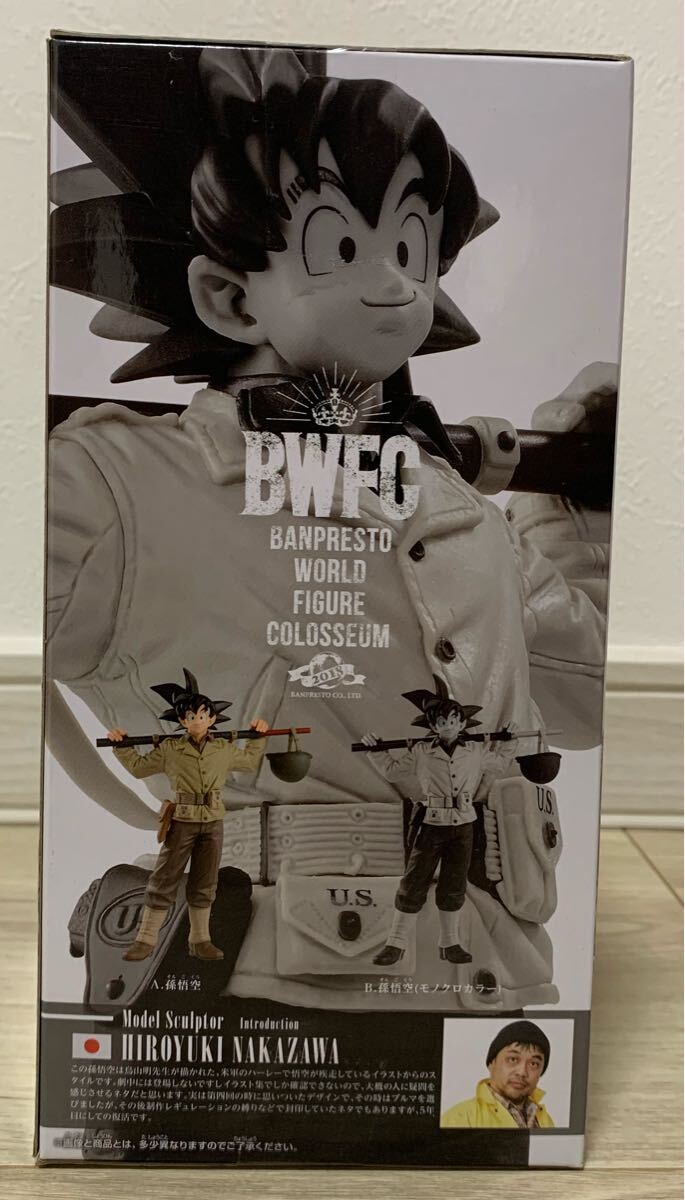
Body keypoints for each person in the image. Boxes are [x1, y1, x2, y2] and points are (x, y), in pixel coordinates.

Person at [46, 45, 614, 1009]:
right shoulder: (118, 488)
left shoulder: (454, 512)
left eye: (412, 247)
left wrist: (569, 501)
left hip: (487, 998)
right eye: (339, 248)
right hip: (257, 1000)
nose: (395, 284)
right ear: (228, 297)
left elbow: (582, 694)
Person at [106, 669, 267, 962]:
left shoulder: (223, 749)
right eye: (191, 716)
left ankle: (200, 939)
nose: (197, 721)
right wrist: (121, 746)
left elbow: (248, 762)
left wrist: (258, 737)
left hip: (213, 821)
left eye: (203, 715)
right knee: (165, 877)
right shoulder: (171, 749)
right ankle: (145, 939)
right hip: (182, 820)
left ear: (212, 718)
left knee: (205, 881)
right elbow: (140, 768)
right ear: (182, 721)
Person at [363, 676, 518, 965]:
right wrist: (376, 751)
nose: (448, 726)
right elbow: (393, 771)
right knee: (414, 881)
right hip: (431, 824)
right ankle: (396, 943)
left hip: (464, 824)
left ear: (462, 723)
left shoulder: (476, 751)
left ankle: (450, 943)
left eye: (453, 720)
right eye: (442, 722)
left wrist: (509, 741)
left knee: (454, 883)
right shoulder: (422, 752)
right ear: (433, 726)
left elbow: (499, 765)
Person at [441, 1020, 555, 1128]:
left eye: (534, 1064)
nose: (522, 1072)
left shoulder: (545, 1120)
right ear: (492, 1063)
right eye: (513, 1059)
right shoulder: (460, 1118)